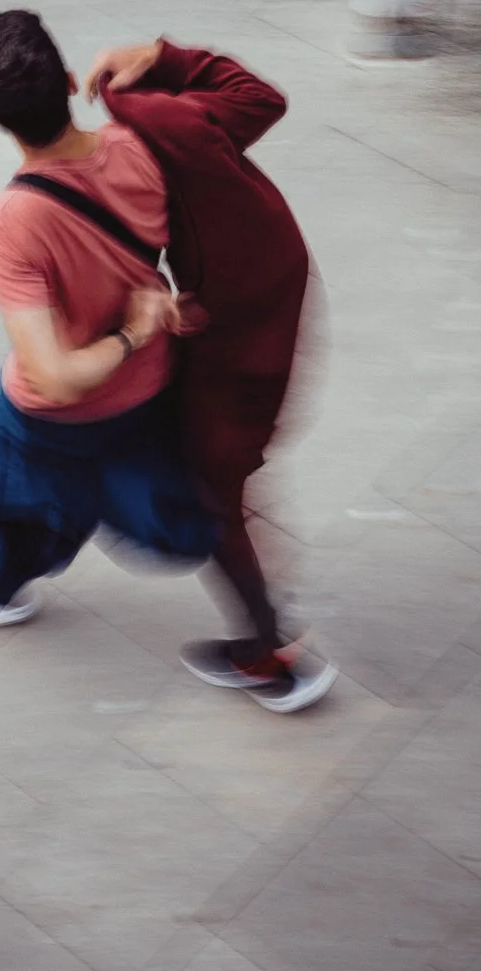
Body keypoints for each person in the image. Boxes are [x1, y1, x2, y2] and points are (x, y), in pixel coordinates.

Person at [0, 10, 217, 635]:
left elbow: (57, 379)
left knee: (21, 508)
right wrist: (156, 54)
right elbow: (239, 99)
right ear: (68, 82)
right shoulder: (138, 146)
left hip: (51, 421)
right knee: (144, 511)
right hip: (147, 393)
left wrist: (130, 332)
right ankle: (69, 517)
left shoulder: (10, 222)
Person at [84, 38, 337, 712]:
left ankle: (270, 655)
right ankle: (267, 635)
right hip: (263, 308)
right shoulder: (201, 133)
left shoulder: (154, 141)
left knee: (215, 490)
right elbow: (263, 98)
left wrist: (163, 311)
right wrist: (163, 56)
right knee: (221, 481)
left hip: (236, 341)